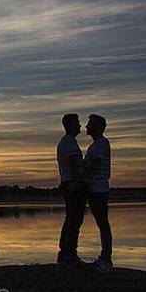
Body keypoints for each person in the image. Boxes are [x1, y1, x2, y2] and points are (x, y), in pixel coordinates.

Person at [82, 114, 113, 271]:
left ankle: (106, 259)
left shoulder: (101, 143)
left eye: (90, 123)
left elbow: (94, 164)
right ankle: (104, 257)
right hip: (94, 189)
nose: (86, 126)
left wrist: (81, 177)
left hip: (99, 189)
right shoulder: (93, 146)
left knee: (103, 224)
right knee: (102, 223)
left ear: (99, 127)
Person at [56, 113, 86, 264]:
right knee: (75, 219)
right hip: (72, 184)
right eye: (78, 122)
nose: (80, 125)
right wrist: (79, 181)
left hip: (68, 182)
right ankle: (70, 253)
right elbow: (73, 163)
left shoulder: (66, 141)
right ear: (71, 125)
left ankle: (64, 250)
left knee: (70, 217)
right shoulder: (69, 142)